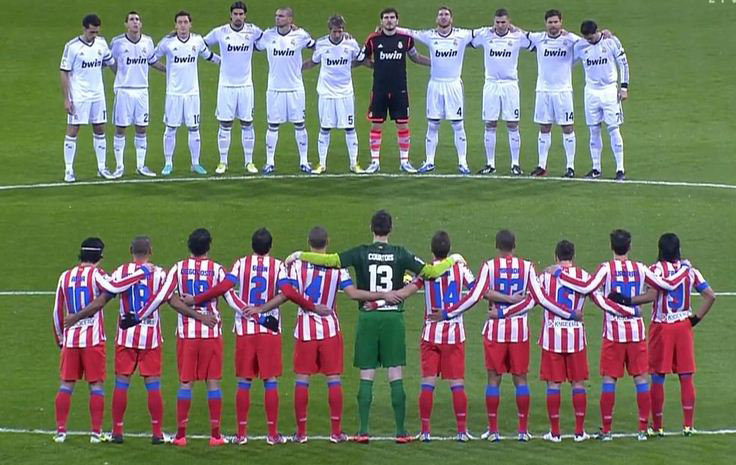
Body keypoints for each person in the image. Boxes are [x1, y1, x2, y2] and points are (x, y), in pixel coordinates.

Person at [285, 210, 462, 443]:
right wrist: (454, 259)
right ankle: (400, 432)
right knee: (395, 373)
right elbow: (430, 272)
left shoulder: (360, 253)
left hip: (368, 318)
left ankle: (362, 430)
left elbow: (331, 260)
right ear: (391, 229)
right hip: (393, 319)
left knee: (366, 374)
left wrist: (300, 254)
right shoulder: (401, 253)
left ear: (371, 228)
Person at [247, 226, 391, 443]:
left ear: (308, 242)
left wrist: (263, 308)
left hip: (305, 330)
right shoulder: (337, 267)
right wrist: (381, 295)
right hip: (330, 330)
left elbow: (289, 294)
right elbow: (352, 294)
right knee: (333, 379)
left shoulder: (298, 266)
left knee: (302, 380)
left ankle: (301, 433)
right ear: (328, 242)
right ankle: (335, 432)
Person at [433, 229, 573, 442]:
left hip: (495, 331)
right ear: (514, 246)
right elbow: (541, 298)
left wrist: (447, 313)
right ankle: (522, 431)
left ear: (498, 247)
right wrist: (568, 313)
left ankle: (493, 430)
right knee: (521, 380)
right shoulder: (526, 267)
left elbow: (474, 296)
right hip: (519, 333)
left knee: (493, 380)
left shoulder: (490, 267)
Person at [554, 229, 690, 440]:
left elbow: (588, 287)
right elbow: (668, 285)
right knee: (641, 380)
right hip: (636, 332)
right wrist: (684, 269)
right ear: (630, 246)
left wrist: (560, 275)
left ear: (611, 247)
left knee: (609, 380)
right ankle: (643, 430)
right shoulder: (640, 268)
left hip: (613, 333)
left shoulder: (606, 269)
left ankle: (607, 431)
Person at [496, 240, 638, 442]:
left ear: (556, 256)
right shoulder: (583, 277)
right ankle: (580, 432)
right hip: (576, 339)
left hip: (552, 337)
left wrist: (503, 313)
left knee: (553, 385)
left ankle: (555, 433)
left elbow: (530, 302)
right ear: (573, 257)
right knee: (578, 384)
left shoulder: (545, 277)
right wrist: (630, 311)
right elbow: (601, 302)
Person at [63, 236, 175, 444]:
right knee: (153, 386)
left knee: (121, 385)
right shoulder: (159, 273)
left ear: (130, 249)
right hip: (151, 338)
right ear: (150, 250)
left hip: (125, 337)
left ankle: (117, 432)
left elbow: (104, 297)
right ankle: (157, 433)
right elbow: (171, 299)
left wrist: (77, 317)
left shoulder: (120, 273)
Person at [183, 228, 289, 445]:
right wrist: (263, 309)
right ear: (270, 246)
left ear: (252, 244)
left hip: (245, 330)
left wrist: (197, 299)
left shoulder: (241, 264)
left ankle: (241, 435)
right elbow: (286, 292)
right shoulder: (278, 266)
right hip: (269, 329)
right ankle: (273, 434)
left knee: (244, 382)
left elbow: (224, 287)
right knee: (270, 381)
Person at [134, 228, 240, 447]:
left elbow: (163, 296)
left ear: (189, 246)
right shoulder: (218, 270)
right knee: (213, 383)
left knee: (185, 384)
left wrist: (139, 315)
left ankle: (181, 436)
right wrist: (253, 312)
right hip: (211, 333)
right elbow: (231, 299)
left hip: (187, 335)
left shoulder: (178, 268)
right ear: (209, 246)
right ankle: (216, 435)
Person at [378, 231, 476, 442]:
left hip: (431, 335)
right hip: (455, 335)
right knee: (457, 384)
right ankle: (462, 431)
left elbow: (407, 292)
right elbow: (477, 290)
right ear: (449, 249)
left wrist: (380, 300)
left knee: (427, 384)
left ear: (432, 250)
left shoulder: (426, 271)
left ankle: (425, 431)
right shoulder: (460, 268)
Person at [51, 237, 148, 443]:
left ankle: (60, 432)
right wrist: (142, 272)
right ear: (99, 256)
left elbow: (57, 311)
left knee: (66, 385)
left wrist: (61, 338)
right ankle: (95, 433)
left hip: (70, 341)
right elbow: (114, 286)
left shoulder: (65, 276)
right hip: (93, 339)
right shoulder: (97, 274)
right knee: (96, 386)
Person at [628, 233, 715, 436]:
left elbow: (651, 295)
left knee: (658, 376)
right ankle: (688, 425)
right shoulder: (690, 271)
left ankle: (657, 426)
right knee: (686, 376)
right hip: (683, 327)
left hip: (662, 327)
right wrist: (695, 319)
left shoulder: (655, 270)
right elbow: (710, 295)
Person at [394, 7, 474, 174]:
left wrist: (508, 28)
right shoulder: (430, 35)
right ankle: (429, 161)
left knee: (458, 125)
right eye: (440, 14)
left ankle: (463, 162)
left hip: (453, 86)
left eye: (446, 15)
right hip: (435, 85)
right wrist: (392, 28)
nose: (443, 17)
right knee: (432, 124)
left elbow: (484, 33)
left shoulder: (462, 35)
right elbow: (411, 32)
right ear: (436, 18)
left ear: (452, 18)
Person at [362, 8, 430, 174]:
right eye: (386, 18)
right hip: (379, 88)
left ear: (397, 21)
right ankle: (375, 162)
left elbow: (415, 57)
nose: (389, 21)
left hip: (399, 89)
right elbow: (363, 57)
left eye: (392, 18)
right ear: (381, 21)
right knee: (376, 123)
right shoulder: (373, 39)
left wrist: (436, 63)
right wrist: (374, 66)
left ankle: (404, 162)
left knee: (402, 124)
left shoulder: (406, 39)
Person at [155, 11, 220, 176]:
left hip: (192, 94)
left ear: (190, 24)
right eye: (179, 22)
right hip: (173, 94)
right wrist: (165, 70)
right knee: (170, 129)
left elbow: (209, 56)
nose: (183, 25)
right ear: (175, 25)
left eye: (185, 22)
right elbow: (151, 58)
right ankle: (168, 163)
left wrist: (226, 62)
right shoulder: (167, 43)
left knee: (194, 128)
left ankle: (195, 163)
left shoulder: (197, 41)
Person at [204, 1, 263, 175]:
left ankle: (249, 162)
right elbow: (201, 44)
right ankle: (223, 162)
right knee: (225, 123)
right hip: (226, 86)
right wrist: (214, 59)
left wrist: (293, 28)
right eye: (235, 14)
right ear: (230, 15)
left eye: (241, 14)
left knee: (247, 123)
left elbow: (271, 36)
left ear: (245, 15)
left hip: (245, 86)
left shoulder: (253, 31)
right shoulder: (220, 32)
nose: (238, 17)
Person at [255, 7, 314, 174]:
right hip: (274, 89)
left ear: (290, 19)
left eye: (281, 16)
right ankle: (269, 162)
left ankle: (304, 161)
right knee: (272, 125)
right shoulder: (268, 36)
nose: (277, 19)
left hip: (295, 88)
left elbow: (319, 47)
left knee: (300, 125)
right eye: (276, 16)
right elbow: (253, 47)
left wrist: (345, 37)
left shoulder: (301, 35)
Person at [472, 8, 531, 175]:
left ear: (508, 22)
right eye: (497, 22)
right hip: (491, 85)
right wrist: (484, 29)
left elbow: (534, 41)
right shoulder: (485, 35)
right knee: (490, 123)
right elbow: (469, 39)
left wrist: (518, 29)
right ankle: (490, 164)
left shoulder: (517, 36)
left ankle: (515, 164)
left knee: (512, 124)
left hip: (510, 85)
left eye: (503, 22)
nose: (500, 25)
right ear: (494, 22)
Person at [303, 15, 364, 174]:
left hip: (345, 93)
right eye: (335, 31)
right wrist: (297, 69)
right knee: (325, 128)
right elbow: (314, 61)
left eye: (341, 31)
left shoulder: (351, 43)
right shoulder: (322, 44)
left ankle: (353, 164)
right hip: (326, 93)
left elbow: (360, 59)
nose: (338, 34)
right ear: (329, 30)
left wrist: (350, 66)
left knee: (350, 128)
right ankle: (322, 164)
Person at [60, 14, 116, 182]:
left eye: (97, 32)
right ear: (84, 29)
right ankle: (69, 170)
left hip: (97, 95)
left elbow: (110, 62)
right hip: (79, 95)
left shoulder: (101, 43)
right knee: (73, 129)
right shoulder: (72, 47)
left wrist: (123, 78)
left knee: (99, 128)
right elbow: (64, 71)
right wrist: (66, 98)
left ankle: (102, 167)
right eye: (92, 32)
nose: (94, 35)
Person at [109, 11, 165, 178]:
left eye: (137, 20)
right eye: (131, 20)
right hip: (124, 90)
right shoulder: (117, 43)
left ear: (140, 24)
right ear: (126, 24)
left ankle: (141, 166)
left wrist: (171, 70)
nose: (135, 22)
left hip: (142, 91)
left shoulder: (147, 42)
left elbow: (152, 61)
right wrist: (120, 76)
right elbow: (110, 61)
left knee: (142, 128)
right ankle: (119, 167)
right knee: (121, 128)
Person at [527, 10, 581, 178]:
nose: (553, 25)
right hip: (543, 91)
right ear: (545, 24)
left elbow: (588, 42)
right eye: (550, 22)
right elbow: (520, 35)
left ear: (561, 22)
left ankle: (570, 167)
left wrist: (604, 34)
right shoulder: (538, 39)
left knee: (567, 127)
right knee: (544, 127)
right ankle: (541, 165)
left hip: (563, 91)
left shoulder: (570, 40)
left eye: (556, 22)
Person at [575, 20, 629, 181]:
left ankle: (620, 169)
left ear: (597, 31)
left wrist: (624, 87)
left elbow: (623, 65)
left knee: (613, 128)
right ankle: (596, 168)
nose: (589, 40)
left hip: (609, 91)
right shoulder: (580, 46)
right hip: (590, 92)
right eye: (587, 38)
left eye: (591, 37)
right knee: (593, 129)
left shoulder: (611, 42)